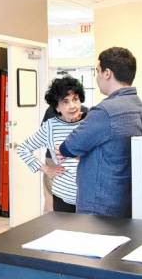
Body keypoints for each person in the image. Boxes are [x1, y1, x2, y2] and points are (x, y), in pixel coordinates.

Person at [58, 47, 142, 218]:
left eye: (97, 71)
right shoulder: (138, 107)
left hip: (99, 206)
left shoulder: (105, 111)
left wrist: (67, 151)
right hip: (127, 202)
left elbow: (68, 147)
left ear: (107, 73)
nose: (97, 77)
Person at [17, 76, 86, 213]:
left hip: (89, 196)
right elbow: (23, 149)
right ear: (57, 107)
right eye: (65, 102)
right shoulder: (51, 126)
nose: (72, 106)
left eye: (75, 99)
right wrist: (47, 169)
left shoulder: (90, 122)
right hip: (62, 196)